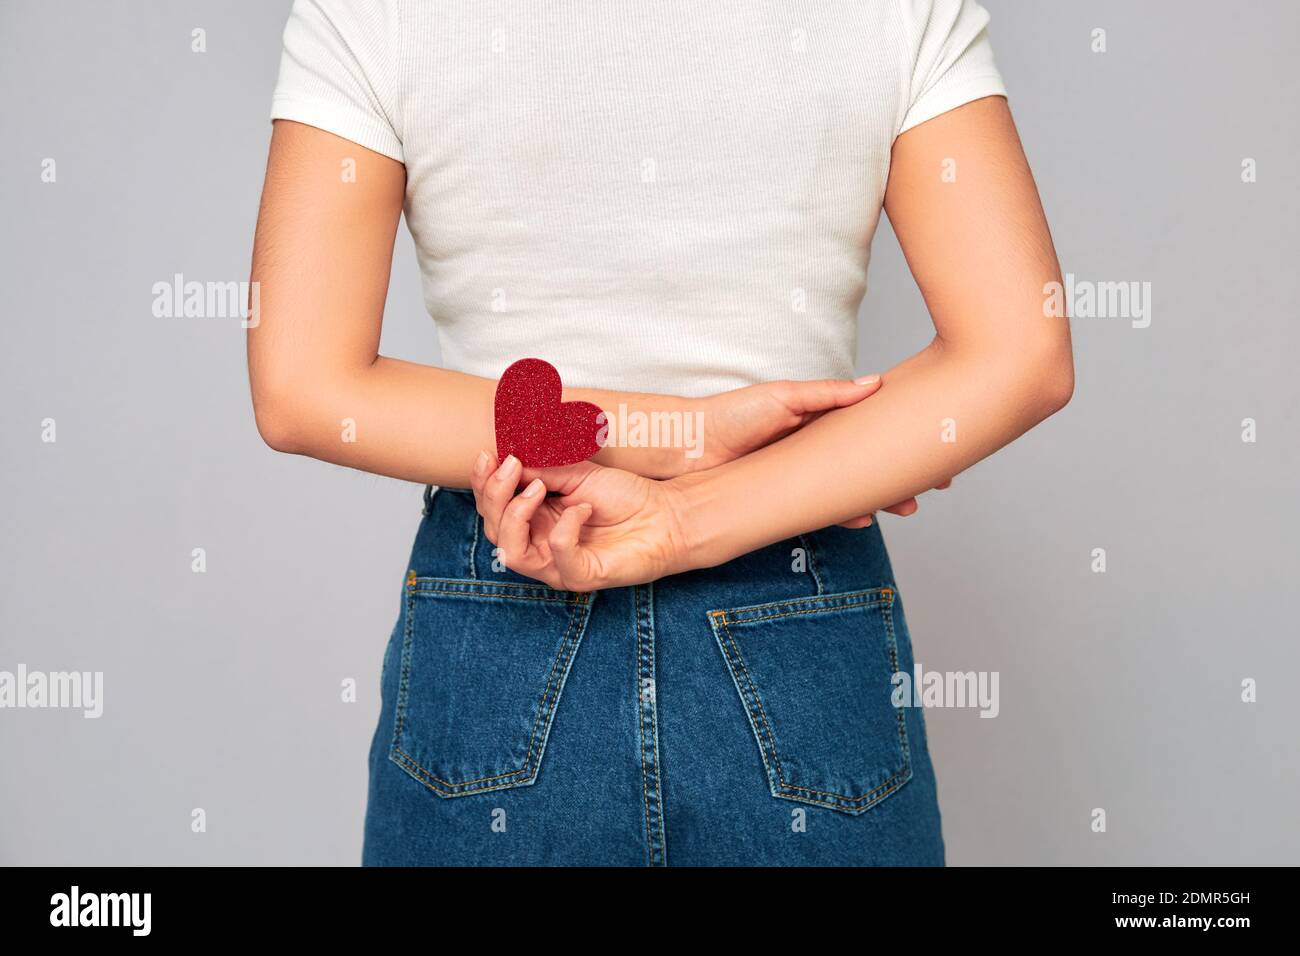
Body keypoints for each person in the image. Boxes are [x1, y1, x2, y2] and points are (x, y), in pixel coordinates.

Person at [248, 0, 1073, 866]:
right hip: (800, 598)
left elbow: (306, 386)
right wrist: (697, 471)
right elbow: (1020, 352)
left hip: (509, 581)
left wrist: (674, 450)